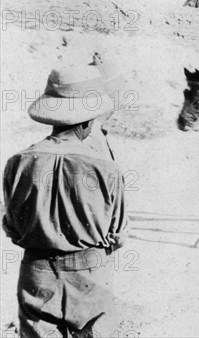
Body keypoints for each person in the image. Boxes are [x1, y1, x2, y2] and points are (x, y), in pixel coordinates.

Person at [2, 65, 128, 337]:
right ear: (87, 121)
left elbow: (11, 227)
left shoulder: (18, 163)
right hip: (90, 276)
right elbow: (117, 235)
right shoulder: (106, 168)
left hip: (36, 275)